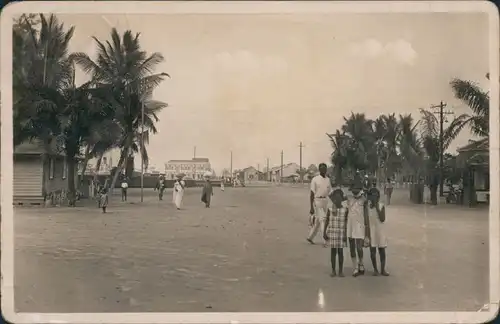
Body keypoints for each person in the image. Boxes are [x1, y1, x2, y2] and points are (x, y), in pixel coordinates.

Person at [346, 185, 370, 277]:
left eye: (357, 188)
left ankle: (361, 263)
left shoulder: (364, 199)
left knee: (359, 247)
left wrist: (367, 228)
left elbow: (366, 214)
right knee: (352, 246)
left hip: (360, 225)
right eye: (353, 188)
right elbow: (335, 197)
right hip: (350, 224)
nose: (355, 190)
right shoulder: (348, 198)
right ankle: (355, 267)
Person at [323, 188, 348, 277]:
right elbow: (326, 221)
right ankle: (333, 270)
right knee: (333, 252)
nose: (337, 200)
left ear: (342, 199)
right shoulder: (330, 209)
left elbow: (346, 223)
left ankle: (340, 271)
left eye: (339, 198)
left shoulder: (345, 210)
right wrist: (324, 232)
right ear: (333, 199)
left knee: (340, 252)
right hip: (332, 233)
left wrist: (345, 234)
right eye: (335, 198)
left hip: (341, 233)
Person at [307, 163, 332, 246]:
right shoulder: (315, 179)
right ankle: (325, 239)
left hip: (325, 201)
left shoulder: (328, 180)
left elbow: (330, 192)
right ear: (319, 169)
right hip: (317, 200)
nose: (323, 170)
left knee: (318, 221)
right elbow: (312, 194)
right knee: (323, 219)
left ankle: (310, 237)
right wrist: (311, 207)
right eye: (322, 169)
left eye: (325, 169)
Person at [367, 188, 389, 276]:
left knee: (382, 250)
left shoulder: (381, 206)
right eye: (372, 196)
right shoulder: (367, 207)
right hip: (371, 231)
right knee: (372, 251)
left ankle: (383, 269)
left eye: (376, 196)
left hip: (380, 230)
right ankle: (375, 269)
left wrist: (376, 207)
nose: (374, 198)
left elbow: (382, 219)